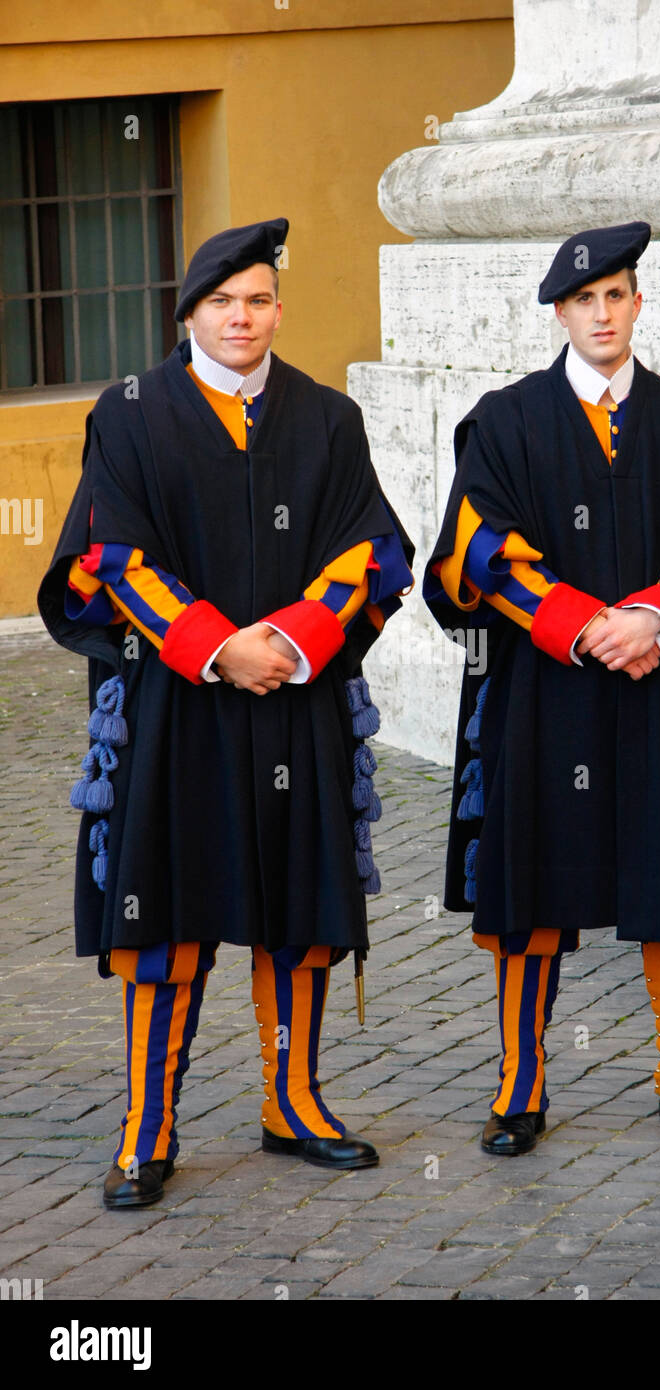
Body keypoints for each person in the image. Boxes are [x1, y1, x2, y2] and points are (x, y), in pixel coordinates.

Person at [39, 217, 414, 1206]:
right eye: (221, 302)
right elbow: (108, 554)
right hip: (176, 704)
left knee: (299, 907)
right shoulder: (131, 415)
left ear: (277, 309)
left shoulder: (327, 418)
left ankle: (294, 1101)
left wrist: (289, 639)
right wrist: (216, 646)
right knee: (165, 909)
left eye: (256, 300)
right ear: (189, 314)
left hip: (298, 698)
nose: (241, 317)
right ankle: (146, 1126)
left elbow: (371, 551)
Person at [424, 221, 660, 1157]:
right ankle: (520, 1081)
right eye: (584, 299)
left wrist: (655, 619)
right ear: (560, 314)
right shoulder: (504, 421)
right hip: (548, 691)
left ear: (637, 303)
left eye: (616, 294)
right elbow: (474, 550)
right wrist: (586, 624)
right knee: (538, 878)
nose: (602, 312)